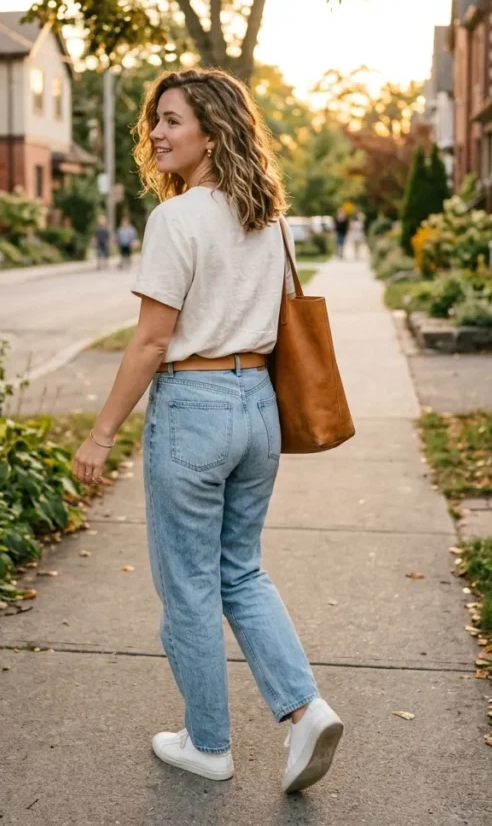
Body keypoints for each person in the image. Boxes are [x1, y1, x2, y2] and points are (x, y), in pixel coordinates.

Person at [72, 68, 343, 794]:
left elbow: (151, 342)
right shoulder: (266, 218)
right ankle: (305, 708)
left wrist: (100, 435)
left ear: (212, 131)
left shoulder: (177, 218)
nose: (155, 133)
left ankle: (208, 743)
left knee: (189, 587)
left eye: (170, 120)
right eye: (154, 121)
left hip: (193, 410)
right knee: (240, 571)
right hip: (257, 406)